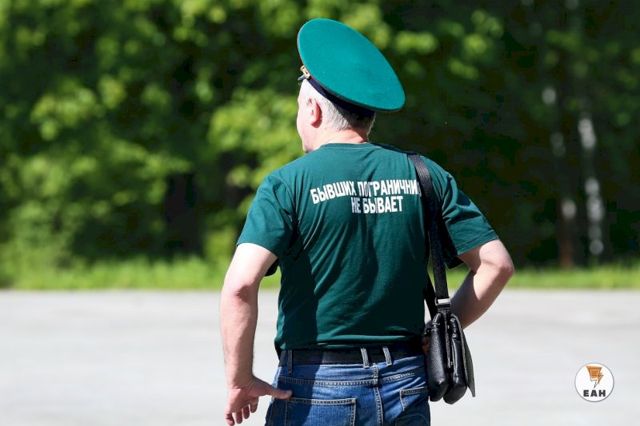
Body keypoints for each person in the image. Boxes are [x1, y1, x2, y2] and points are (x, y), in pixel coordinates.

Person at [220, 18, 514, 426]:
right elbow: (496, 264)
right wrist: (435, 334)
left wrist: (239, 379)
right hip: (406, 383)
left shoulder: (286, 184)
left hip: (316, 388)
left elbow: (239, 286)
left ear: (313, 110)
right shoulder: (424, 174)